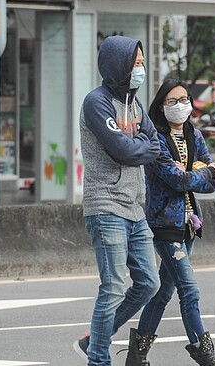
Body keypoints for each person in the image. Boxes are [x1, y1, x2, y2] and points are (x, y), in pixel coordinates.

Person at [128, 77, 215, 366]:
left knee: (164, 290)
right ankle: (206, 357)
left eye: (184, 100)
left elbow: (211, 181)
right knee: (189, 289)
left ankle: (136, 356)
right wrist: (203, 173)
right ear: (161, 106)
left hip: (190, 223)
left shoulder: (195, 136)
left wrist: (200, 175)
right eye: (172, 101)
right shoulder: (155, 139)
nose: (180, 106)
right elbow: (177, 180)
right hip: (164, 224)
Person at [73, 35, 161, 366]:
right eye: (135, 63)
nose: (140, 69)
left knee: (149, 283)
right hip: (106, 204)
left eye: (142, 63)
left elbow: (154, 147)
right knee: (112, 287)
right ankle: (99, 359)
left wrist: (138, 147)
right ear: (118, 64)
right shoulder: (97, 102)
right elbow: (124, 151)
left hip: (135, 208)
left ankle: (95, 339)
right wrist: (139, 146)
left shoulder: (136, 105)